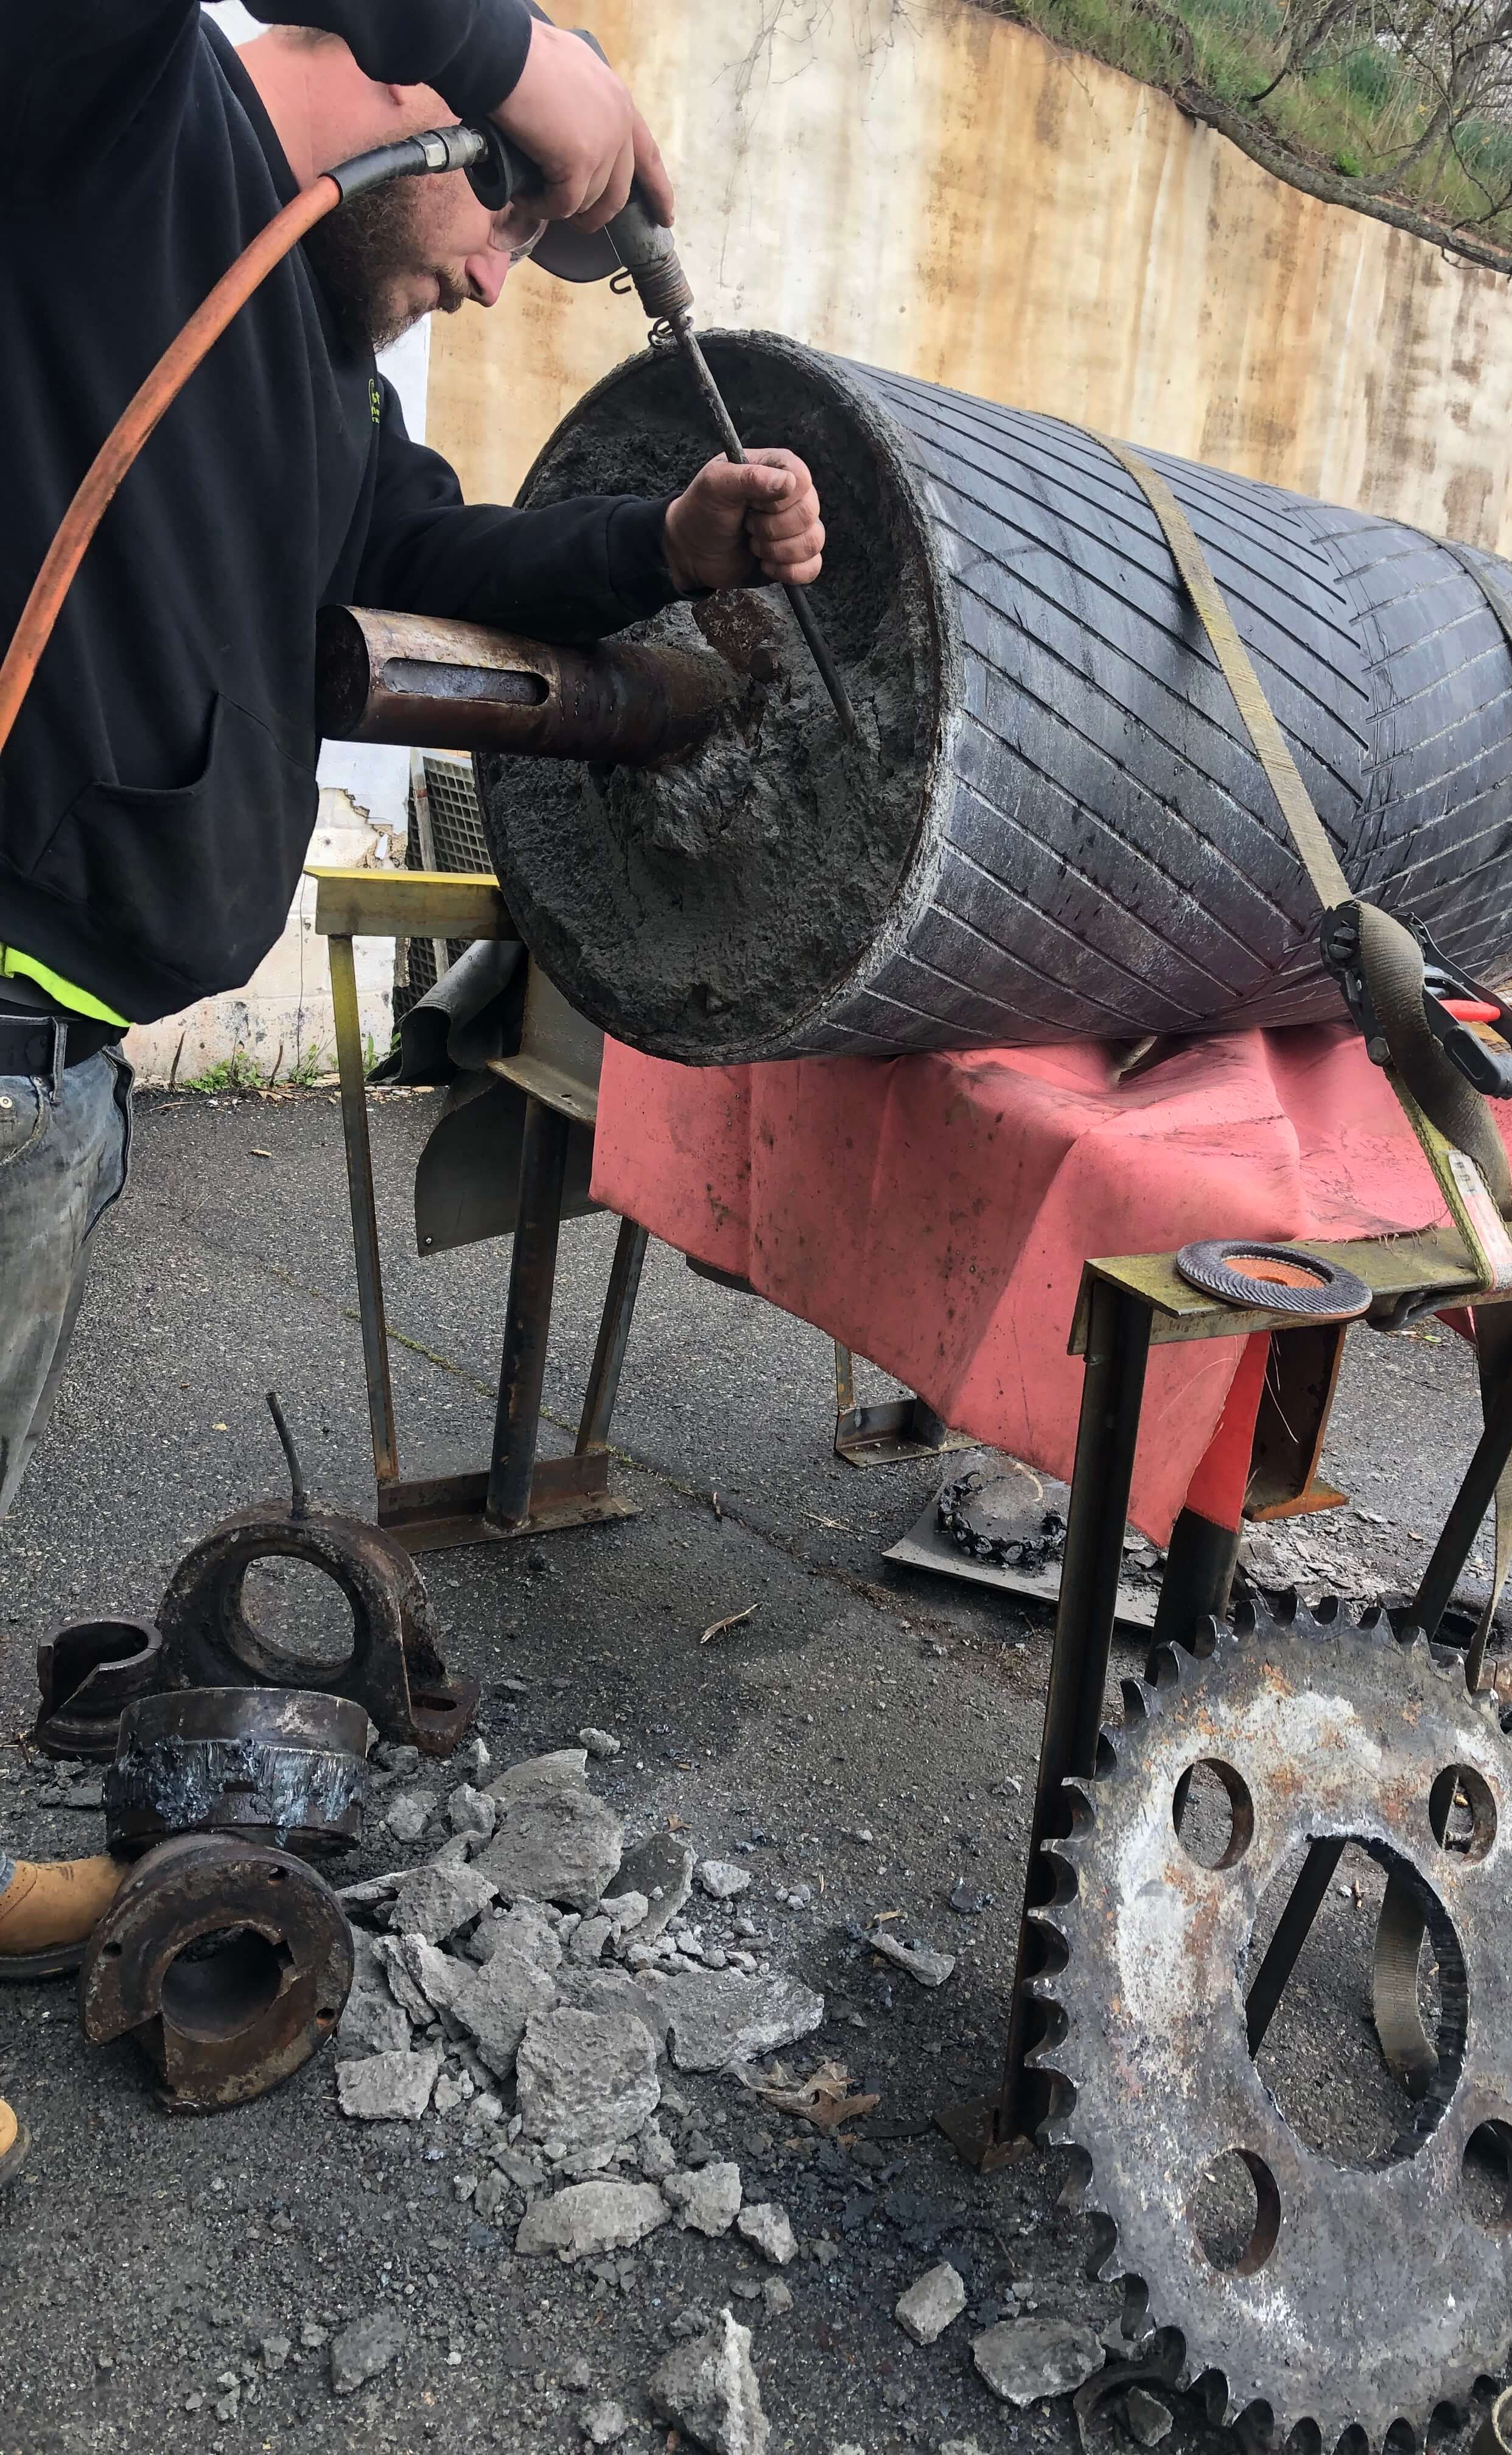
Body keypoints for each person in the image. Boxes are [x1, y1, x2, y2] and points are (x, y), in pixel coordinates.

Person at [0, 0, 826, 2170]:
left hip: (58, 1076)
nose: (492, 273)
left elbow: (441, 555)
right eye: (508, 212)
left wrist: (676, 546)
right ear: (406, 91)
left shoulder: (312, 376)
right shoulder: (103, 114)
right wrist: (536, 52)